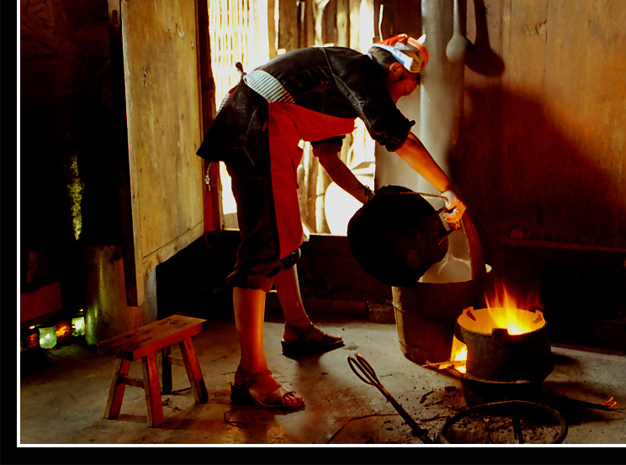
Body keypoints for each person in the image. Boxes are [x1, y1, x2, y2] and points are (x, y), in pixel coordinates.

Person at [197, 34, 466, 411]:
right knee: (263, 248)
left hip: (270, 132)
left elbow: (329, 158)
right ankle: (251, 375)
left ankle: (297, 329)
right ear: (394, 70)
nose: (401, 99)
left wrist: (369, 201)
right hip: (255, 126)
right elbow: (396, 136)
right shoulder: (355, 69)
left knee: (285, 233)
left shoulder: (344, 93)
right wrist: (448, 188)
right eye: (404, 91)